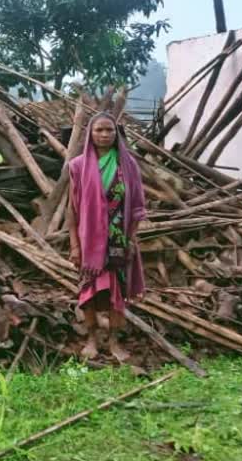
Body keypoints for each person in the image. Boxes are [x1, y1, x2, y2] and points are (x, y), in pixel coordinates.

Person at [66, 112, 146, 361]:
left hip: (118, 241)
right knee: (89, 294)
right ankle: (91, 339)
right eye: (99, 130)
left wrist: (131, 239)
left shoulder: (127, 165)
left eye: (109, 130)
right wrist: (75, 246)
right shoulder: (78, 166)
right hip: (89, 243)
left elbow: (136, 208)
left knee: (117, 294)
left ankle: (113, 341)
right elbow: (73, 209)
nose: (104, 135)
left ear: (116, 133)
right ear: (90, 133)